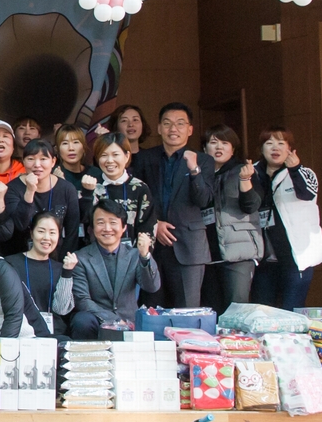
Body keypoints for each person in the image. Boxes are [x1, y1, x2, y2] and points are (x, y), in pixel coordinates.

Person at [133, 103, 213, 310]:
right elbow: (137, 198)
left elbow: (204, 200)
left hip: (188, 246)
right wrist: (155, 223)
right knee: (151, 310)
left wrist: (194, 170)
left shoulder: (203, 160)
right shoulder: (144, 158)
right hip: (152, 245)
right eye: (167, 123)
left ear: (190, 129)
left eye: (180, 124)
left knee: (187, 310)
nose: (173, 129)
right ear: (159, 128)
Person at [67, 202, 162, 338]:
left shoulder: (134, 255)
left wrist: (145, 255)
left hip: (130, 321)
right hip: (98, 320)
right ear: (92, 228)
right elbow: (82, 300)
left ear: (123, 227)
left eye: (113, 222)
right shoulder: (80, 258)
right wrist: (114, 320)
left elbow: (152, 287)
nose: (107, 228)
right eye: (100, 223)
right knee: (81, 320)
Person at [254, 127, 322, 309]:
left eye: (280, 143)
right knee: (262, 311)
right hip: (264, 257)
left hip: (296, 255)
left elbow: (308, 194)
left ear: (290, 149)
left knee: (291, 309)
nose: (275, 148)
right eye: (269, 143)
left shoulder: (304, 173)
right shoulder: (252, 174)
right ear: (261, 149)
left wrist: (295, 170)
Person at [200, 125, 267, 311]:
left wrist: (245, 181)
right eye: (213, 142)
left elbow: (251, 205)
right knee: (211, 310)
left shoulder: (243, 171)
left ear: (233, 149)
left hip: (238, 254)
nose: (219, 147)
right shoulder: (200, 175)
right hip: (208, 253)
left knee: (236, 309)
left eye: (225, 143)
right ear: (204, 148)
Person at [4, 137, 80, 255]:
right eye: (31, 159)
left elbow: (72, 231)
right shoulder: (12, 189)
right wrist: (29, 191)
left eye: (43, 159)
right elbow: (20, 225)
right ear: (23, 161)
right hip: (20, 256)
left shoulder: (67, 189)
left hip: (57, 257)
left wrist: (64, 260)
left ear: (53, 162)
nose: (37, 165)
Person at [2, 212, 73, 336]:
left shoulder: (61, 268)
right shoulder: (10, 264)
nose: (46, 237)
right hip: (22, 332)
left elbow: (61, 309)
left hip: (54, 334)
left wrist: (67, 272)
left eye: (52, 233)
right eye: (41, 231)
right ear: (31, 233)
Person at [80, 133, 156, 247]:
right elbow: (83, 223)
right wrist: (87, 194)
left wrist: (140, 253)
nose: (110, 160)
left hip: (131, 254)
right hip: (95, 255)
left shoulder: (139, 188)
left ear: (127, 156)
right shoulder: (91, 185)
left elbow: (148, 227)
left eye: (115, 154)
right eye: (104, 155)